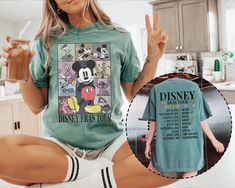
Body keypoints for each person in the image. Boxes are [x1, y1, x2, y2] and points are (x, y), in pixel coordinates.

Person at [0, 0, 175, 187]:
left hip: (111, 143)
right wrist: (23, 74)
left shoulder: (120, 37)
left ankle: (87, 182)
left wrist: (153, 58)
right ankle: (99, 171)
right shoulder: (45, 41)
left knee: (176, 156)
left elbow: (135, 97)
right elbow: (36, 106)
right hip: (61, 146)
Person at [143, 77, 225, 179]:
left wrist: (148, 144)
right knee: (188, 177)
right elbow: (201, 119)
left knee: (150, 175)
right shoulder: (194, 87)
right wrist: (214, 141)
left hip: (165, 145)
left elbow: (153, 121)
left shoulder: (156, 89)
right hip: (191, 146)